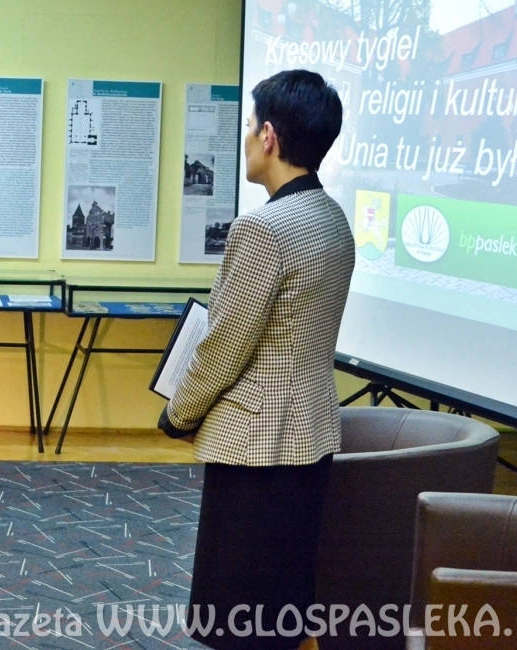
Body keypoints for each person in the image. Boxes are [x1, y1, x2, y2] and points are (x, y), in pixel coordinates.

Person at [158, 70, 353, 650]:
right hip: (310, 436)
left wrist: (179, 413)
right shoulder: (333, 218)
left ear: (268, 135)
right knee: (284, 609)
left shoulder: (262, 229)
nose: (244, 137)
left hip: (256, 450)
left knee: (237, 620)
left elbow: (224, 347)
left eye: (248, 125)